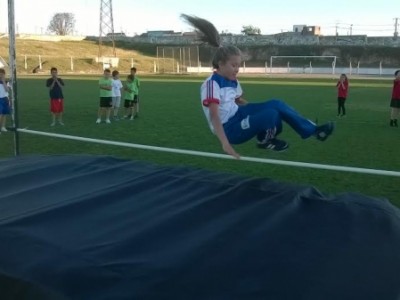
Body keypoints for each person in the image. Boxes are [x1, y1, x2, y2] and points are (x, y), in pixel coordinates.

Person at [181, 14, 334, 158]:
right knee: (270, 115)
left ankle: (313, 130)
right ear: (220, 64)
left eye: (238, 65)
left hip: (239, 114)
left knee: (276, 105)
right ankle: (265, 141)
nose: (237, 69)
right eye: (233, 65)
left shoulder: (232, 79)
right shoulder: (211, 84)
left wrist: (255, 111)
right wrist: (225, 143)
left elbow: (237, 101)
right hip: (229, 129)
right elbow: (214, 116)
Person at [0, 68, 11, 133]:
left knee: (4, 114)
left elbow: (7, 90)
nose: (1, 76)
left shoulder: (6, 82)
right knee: (0, 114)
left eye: (2, 74)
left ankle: (3, 127)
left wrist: (3, 81)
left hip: (5, 98)